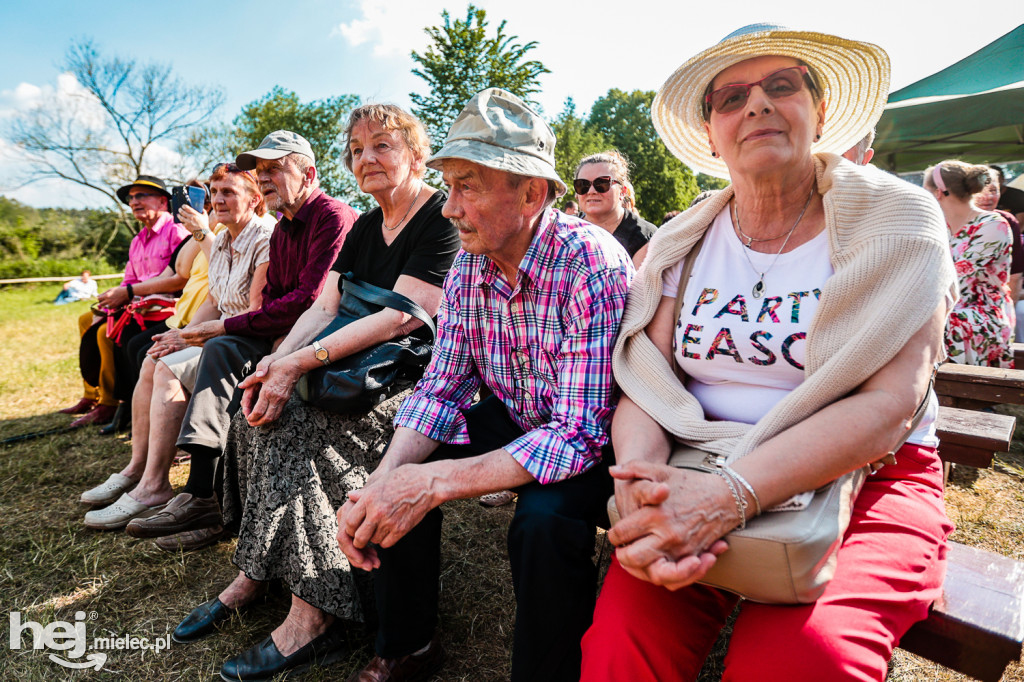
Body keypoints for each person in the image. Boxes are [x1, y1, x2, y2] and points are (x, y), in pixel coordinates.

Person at [580, 24, 957, 682]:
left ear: (820, 110)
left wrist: (729, 498)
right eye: (730, 98)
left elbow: (891, 406)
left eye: (781, 86)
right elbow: (645, 382)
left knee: (804, 661)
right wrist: (643, 484)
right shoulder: (685, 238)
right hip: (698, 465)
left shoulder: (899, 221)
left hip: (866, 478)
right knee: (618, 651)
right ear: (710, 133)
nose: (755, 105)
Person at [339, 88, 634, 682]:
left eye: (467, 186)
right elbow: (442, 386)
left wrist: (434, 482)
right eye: (448, 186)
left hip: (604, 437)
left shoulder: (590, 263)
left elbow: (578, 434)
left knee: (544, 523)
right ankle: (407, 645)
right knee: (397, 473)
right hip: (520, 417)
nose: (448, 208)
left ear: (532, 192)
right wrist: (390, 480)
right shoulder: (471, 263)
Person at [170, 104, 461, 682]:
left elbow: (401, 318)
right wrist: (275, 363)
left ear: (416, 153)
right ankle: (255, 573)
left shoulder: (439, 217)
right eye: (356, 150)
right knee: (253, 410)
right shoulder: (364, 226)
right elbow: (323, 306)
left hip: (405, 378)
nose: (366, 159)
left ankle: (312, 616)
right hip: (346, 364)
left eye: (382, 145)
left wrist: (298, 362)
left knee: (303, 426)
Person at [124, 130, 358, 549]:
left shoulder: (332, 216)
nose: (264, 178)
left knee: (221, 344)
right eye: (259, 171)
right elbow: (270, 299)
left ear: (309, 173)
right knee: (217, 348)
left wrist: (227, 330)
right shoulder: (285, 226)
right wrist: (209, 331)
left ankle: (202, 496)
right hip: (283, 330)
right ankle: (198, 494)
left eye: (274, 169)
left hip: (327, 336)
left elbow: (311, 300)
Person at [81, 163, 273, 529]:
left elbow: (253, 312)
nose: (217, 200)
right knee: (155, 357)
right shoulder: (225, 239)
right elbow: (214, 300)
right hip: (222, 330)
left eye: (228, 192)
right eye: (214, 193)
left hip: (245, 338)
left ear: (255, 198)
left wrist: (187, 336)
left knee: (168, 367)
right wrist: (181, 334)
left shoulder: (263, 236)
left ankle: (155, 485)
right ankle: (139, 468)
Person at [62, 176, 190, 427]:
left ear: (163, 201)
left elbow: (180, 280)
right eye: (131, 198)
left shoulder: (177, 230)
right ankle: (92, 395)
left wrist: (129, 293)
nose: (134, 202)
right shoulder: (137, 240)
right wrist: (112, 297)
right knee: (87, 319)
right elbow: (128, 280)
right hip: (136, 303)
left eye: (141, 195)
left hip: (164, 308)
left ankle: (111, 403)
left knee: (104, 333)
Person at [924, 160, 1013, 367]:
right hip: (944, 308)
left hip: (984, 313)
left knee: (930, 323)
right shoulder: (940, 227)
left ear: (938, 193)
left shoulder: (993, 225)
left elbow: (955, 279)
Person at [574, 150, 657, 260]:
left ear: (622, 191)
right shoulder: (564, 230)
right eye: (583, 184)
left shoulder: (644, 237)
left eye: (602, 183)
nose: (591, 191)